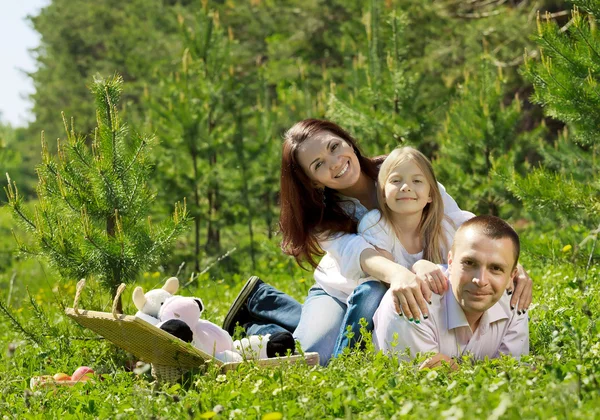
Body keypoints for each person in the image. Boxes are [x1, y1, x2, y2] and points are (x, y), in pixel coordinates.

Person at [223, 119, 532, 365]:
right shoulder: (323, 216)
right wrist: (399, 273)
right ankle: (259, 315)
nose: (334, 162)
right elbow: (361, 254)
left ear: (348, 142)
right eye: (318, 164)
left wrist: (506, 264)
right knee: (316, 355)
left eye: (334, 146)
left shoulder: (404, 173)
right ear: (312, 180)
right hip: (344, 293)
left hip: (404, 294)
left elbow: (460, 221)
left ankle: (265, 301)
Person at [373, 215, 529, 367]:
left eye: (496, 268)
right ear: (450, 262)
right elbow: (424, 386)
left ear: (512, 276)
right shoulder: (412, 301)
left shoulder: (515, 301)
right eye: (469, 263)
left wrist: (452, 369)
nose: (480, 280)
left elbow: (513, 376)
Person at [357, 146, 474, 321]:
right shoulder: (375, 224)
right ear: (383, 192)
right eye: (395, 180)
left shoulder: (446, 228)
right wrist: (418, 267)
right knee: (371, 291)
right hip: (383, 312)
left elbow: (469, 267)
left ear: (431, 195)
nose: (405, 187)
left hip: (430, 314)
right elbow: (387, 283)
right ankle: (349, 347)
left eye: (417, 181)